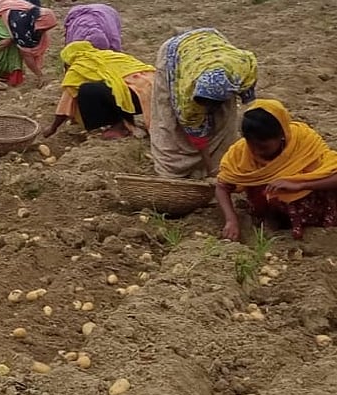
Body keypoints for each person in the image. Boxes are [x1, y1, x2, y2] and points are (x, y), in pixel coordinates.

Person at [217, 99, 337, 240]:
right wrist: (231, 220)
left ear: (282, 135)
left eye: (263, 147)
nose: (256, 151)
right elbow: (221, 186)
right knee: (269, 193)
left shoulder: (303, 141)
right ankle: (274, 220)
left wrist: (300, 184)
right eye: (251, 144)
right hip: (270, 209)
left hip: (311, 205)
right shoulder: (240, 152)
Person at [149, 28, 257, 179]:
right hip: (176, 52)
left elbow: (250, 102)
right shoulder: (187, 100)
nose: (208, 109)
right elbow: (197, 137)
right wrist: (211, 170)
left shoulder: (243, 66)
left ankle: (223, 162)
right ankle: (178, 170)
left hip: (212, 39)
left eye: (212, 104)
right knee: (170, 122)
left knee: (224, 119)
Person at [44, 41, 155, 140]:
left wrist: (53, 127)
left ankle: (119, 126)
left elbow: (66, 102)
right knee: (114, 88)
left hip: (136, 98)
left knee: (88, 90)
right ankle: (128, 122)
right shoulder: (112, 55)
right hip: (157, 91)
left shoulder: (78, 66)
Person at [0, 0, 57, 86]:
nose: (44, 32)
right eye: (43, 28)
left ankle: (6, 74)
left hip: (11, 26)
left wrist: (12, 38)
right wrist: (39, 75)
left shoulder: (32, 18)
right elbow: (27, 55)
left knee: (14, 51)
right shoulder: (21, 26)